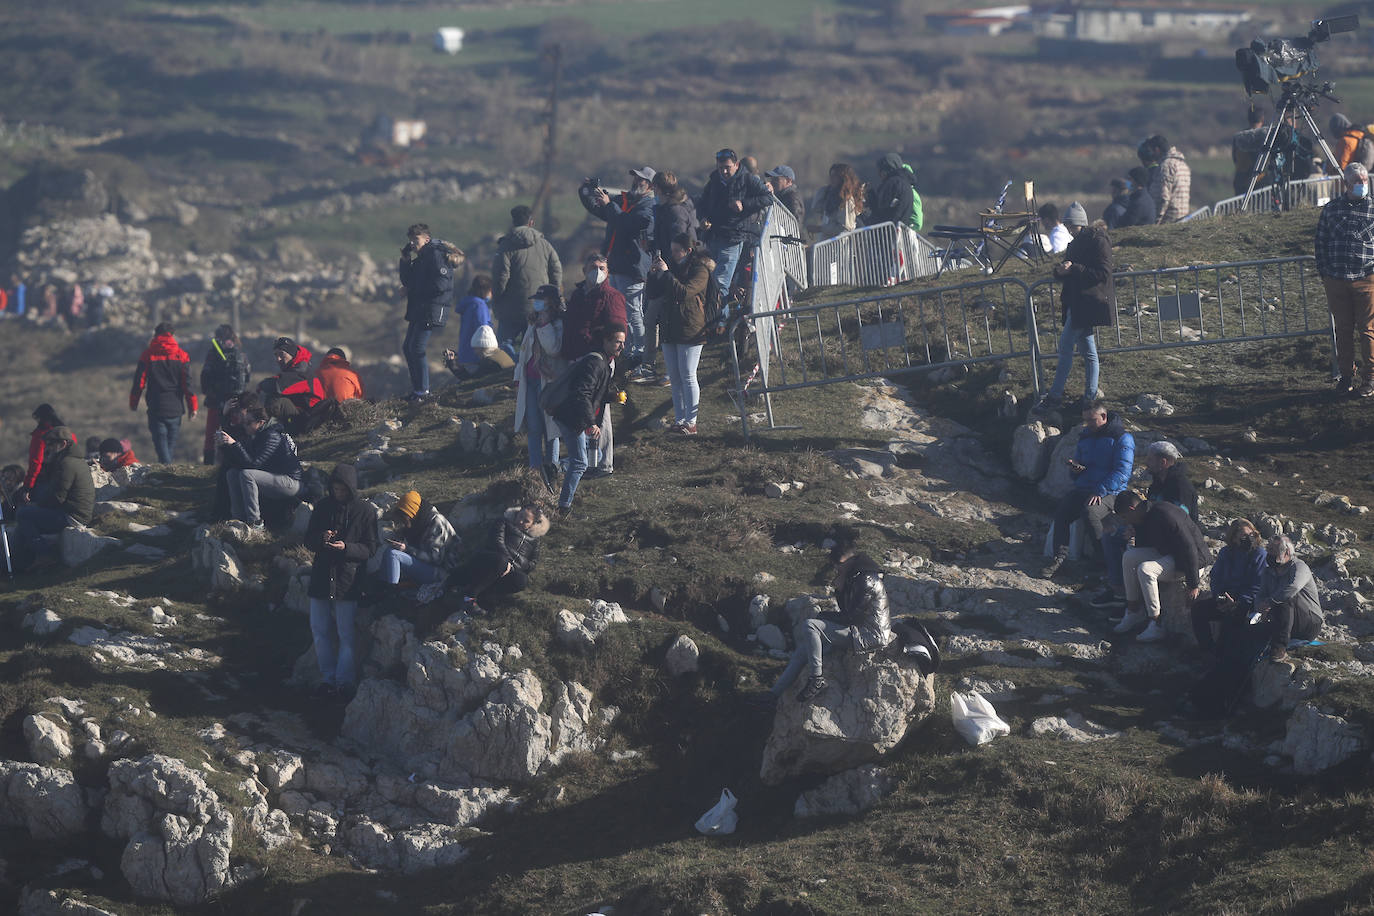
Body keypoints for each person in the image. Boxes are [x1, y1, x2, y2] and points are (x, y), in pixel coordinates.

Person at [768, 532, 894, 704]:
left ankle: (817, 679)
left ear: (849, 561)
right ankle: (773, 695)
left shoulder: (867, 580)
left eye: (839, 565)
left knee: (812, 626)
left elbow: (852, 617)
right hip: (857, 629)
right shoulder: (855, 576)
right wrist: (840, 590)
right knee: (804, 648)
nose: (837, 569)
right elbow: (847, 611)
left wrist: (825, 615)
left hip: (870, 635)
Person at [1092, 440, 1197, 607]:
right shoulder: (1156, 483)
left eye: (1150, 459)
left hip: (1173, 542)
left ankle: (1135, 602)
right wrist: (1134, 527)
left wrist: (1140, 531)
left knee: (1129, 548)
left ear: (1163, 462)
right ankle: (1119, 590)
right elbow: (1148, 513)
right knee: (1112, 537)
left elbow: (1179, 523)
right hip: (1152, 532)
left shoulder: (1180, 486)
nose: (1146, 463)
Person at [1032, 203, 1114, 415]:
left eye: (1071, 225)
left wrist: (1073, 269)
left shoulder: (1098, 241)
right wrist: (1060, 272)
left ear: (1080, 224)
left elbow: (1103, 272)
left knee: (1066, 346)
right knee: (1089, 352)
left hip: (1087, 303)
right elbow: (1076, 269)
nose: (1068, 229)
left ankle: (1056, 396)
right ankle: (1089, 396)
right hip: (1078, 303)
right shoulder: (1079, 241)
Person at [304, 464, 378, 698]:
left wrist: (347, 548)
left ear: (351, 488)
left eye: (342, 490)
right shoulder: (322, 507)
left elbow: (371, 548)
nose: (338, 493)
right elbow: (308, 541)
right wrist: (320, 538)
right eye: (335, 489)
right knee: (319, 630)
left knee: (346, 633)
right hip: (322, 577)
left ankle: (344, 682)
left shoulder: (365, 511)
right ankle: (328, 679)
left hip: (348, 580)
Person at [1042, 400, 1134, 579]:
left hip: (1111, 492)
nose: (1088, 424)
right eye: (1085, 420)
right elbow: (1081, 464)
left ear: (1104, 417)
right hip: (1084, 487)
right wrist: (1076, 470)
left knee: (1090, 511)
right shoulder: (1086, 435)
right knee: (1062, 512)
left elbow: (1122, 472)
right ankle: (1059, 558)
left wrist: (1100, 490)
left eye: (1092, 420)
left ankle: (1102, 560)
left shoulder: (1122, 438)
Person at [1109, 489, 1211, 642]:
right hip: (1170, 554)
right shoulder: (1142, 517)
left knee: (1145, 569)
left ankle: (1155, 624)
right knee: (1129, 557)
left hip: (1191, 562)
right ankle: (1133, 611)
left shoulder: (1165, 514)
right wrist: (1135, 533)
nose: (1125, 522)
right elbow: (1145, 545)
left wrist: (1193, 584)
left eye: (1124, 517)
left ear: (1131, 510)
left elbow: (1189, 547)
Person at [580, 167, 656, 370]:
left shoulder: (649, 206)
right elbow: (600, 210)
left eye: (641, 180)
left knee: (633, 313)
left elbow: (629, 224)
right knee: (621, 312)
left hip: (632, 267)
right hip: (617, 265)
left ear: (650, 185)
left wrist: (609, 206)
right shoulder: (625, 202)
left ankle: (639, 353)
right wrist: (586, 191)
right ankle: (628, 350)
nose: (636, 182)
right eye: (635, 178)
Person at [550, 324, 626, 516]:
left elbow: (595, 394)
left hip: (576, 415)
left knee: (597, 457)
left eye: (623, 343)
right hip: (572, 417)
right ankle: (563, 507)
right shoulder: (596, 363)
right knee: (580, 463)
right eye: (617, 341)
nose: (621, 347)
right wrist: (591, 423)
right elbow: (582, 394)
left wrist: (613, 396)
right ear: (606, 341)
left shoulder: (604, 362)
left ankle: (554, 468)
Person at [561, 254, 626, 478]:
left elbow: (618, 329)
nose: (597, 271)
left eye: (601, 267)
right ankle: (587, 459)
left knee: (600, 411)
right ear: (584, 270)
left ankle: (604, 463)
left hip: (598, 361)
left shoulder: (612, 296)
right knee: (584, 410)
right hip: (577, 358)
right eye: (593, 267)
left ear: (608, 272)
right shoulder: (578, 296)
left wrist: (604, 354)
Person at [1314, 162, 1374, 397]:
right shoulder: (1331, 209)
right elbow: (1321, 241)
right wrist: (1325, 272)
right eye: (1357, 181)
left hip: (1366, 277)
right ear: (1346, 184)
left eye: (1364, 181)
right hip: (1336, 279)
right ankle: (1346, 376)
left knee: (1367, 330)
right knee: (1343, 330)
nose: (1361, 185)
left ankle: (1370, 378)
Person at [648, 233, 713, 435]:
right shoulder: (671, 268)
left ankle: (690, 421)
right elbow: (653, 294)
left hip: (690, 328)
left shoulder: (700, 270)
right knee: (675, 378)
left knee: (688, 375)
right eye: (672, 250)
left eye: (678, 250)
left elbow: (684, 293)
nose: (673, 254)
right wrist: (652, 274)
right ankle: (679, 419)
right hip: (670, 327)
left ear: (688, 250)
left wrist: (666, 273)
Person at [641, 171, 699, 384]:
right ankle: (649, 364)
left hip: (672, 274)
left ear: (659, 188)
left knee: (664, 322)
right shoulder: (666, 209)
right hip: (662, 269)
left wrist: (668, 268)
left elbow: (680, 245)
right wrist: (653, 249)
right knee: (651, 319)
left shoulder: (675, 212)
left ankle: (663, 368)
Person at [697, 148, 772, 301]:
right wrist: (703, 218)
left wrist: (744, 204)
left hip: (733, 237)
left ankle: (719, 322)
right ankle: (716, 318)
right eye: (720, 168)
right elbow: (702, 204)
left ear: (736, 165)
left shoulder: (748, 179)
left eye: (727, 167)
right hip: (713, 237)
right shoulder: (713, 181)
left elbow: (767, 198)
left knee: (720, 283)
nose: (724, 171)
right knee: (711, 282)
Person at [14, 428, 94, 569]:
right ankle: (21, 563)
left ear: (63, 444)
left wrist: (36, 505)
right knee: (24, 521)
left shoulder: (67, 463)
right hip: (72, 510)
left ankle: (46, 555)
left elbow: (58, 497)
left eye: (51, 444)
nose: (48, 448)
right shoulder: (71, 460)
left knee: (23, 514)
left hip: (73, 515)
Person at [514, 284, 565, 495]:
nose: (536, 304)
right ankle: (535, 470)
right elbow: (524, 351)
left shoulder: (558, 324)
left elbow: (553, 349)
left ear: (551, 302)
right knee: (534, 428)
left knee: (550, 429)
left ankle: (551, 468)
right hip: (531, 380)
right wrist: (518, 376)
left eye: (541, 301)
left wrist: (545, 325)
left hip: (549, 382)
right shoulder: (532, 322)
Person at [454, 504, 549, 615]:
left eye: (526, 521)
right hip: (489, 561)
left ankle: (485, 596)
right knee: (501, 562)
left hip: (510, 570)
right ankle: (469, 597)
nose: (521, 521)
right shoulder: (503, 522)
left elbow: (533, 562)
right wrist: (508, 561)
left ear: (532, 524)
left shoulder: (535, 541)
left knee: (521, 580)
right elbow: (496, 541)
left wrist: (517, 565)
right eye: (520, 516)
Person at [1190, 519, 1268, 654]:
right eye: (1243, 536)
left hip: (1246, 603)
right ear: (1234, 538)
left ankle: (1221, 656)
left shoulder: (1259, 554)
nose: (1248, 539)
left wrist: (1238, 601)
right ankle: (1207, 650)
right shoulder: (1226, 552)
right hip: (1225, 598)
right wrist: (1219, 596)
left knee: (1231, 621)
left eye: (1251, 535)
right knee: (1198, 610)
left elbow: (1257, 585)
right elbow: (1215, 577)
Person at [218, 407, 303, 530]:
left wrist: (234, 444)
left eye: (248, 423)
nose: (244, 426)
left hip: (291, 482)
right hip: (274, 479)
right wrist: (226, 446)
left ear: (261, 423)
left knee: (247, 474)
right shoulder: (256, 435)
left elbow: (253, 464)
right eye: (244, 423)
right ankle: (238, 519)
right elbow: (242, 461)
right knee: (232, 473)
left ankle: (255, 522)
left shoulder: (271, 436)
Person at [398, 223, 456, 402]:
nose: (413, 244)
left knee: (417, 348)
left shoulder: (435, 255)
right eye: (411, 241)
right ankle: (417, 390)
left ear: (427, 239)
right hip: (419, 308)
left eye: (416, 240)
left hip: (431, 308)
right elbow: (407, 279)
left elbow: (441, 285)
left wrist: (413, 289)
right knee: (408, 347)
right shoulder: (421, 258)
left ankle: (423, 391)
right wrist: (405, 260)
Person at [491, 204, 563, 345]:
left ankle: (509, 367)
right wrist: (554, 297)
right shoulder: (545, 245)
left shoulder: (505, 246)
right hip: (539, 308)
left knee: (504, 347)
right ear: (531, 222)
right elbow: (556, 271)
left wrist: (497, 299)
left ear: (513, 222)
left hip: (510, 309)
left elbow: (501, 277)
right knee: (535, 347)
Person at [129, 322, 198, 464]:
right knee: (169, 447)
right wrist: (193, 407)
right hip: (176, 409)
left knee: (162, 447)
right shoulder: (182, 356)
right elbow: (188, 385)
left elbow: (139, 383)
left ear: (155, 335)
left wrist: (134, 402)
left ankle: (166, 474)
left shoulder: (147, 355)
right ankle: (167, 474)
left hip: (156, 408)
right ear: (172, 335)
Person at [1252, 536, 1323, 662]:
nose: (1270, 554)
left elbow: (1293, 587)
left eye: (1274, 551)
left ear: (1287, 552)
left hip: (1309, 623)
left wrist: (1270, 602)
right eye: (1269, 550)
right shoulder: (1268, 572)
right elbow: (1261, 594)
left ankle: (1279, 648)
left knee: (1285, 597)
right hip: (1283, 622)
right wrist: (1260, 607)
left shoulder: (1299, 567)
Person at [379, 490, 459, 589]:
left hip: (441, 573)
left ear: (410, 513)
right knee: (389, 551)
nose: (403, 521)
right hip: (427, 567)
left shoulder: (436, 523)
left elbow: (435, 558)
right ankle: (382, 586)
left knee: (393, 554)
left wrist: (406, 549)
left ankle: (390, 590)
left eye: (403, 517)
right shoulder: (418, 522)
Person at [200, 324, 252, 465]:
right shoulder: (241, 355)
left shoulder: (213, 354)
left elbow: (205, 376)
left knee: (211, 433)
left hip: (215, 401)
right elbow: (247, 376)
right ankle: (231, 461)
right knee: (234, 431)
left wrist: (208, 392)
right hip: (236, 401)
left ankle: (208, 464)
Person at [257, 337, 325, 424]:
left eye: (281, 354)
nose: (278, 359)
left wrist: (260, 385)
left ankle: (264, 427)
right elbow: (280, 379)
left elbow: (278, 386)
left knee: (278, 401)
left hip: (309, 421)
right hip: (299, 416)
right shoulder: (293, 371)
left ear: (292, 354)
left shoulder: (302, 373)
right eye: (276, 355)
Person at [451, 275, 500, 378]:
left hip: (465, 354)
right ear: (486, 290)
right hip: (475, 355)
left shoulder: (469, 304)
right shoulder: (479, 306)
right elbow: (484, 331)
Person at [24, 404, 76, 498]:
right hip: (69, 481)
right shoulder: (69, 434)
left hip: (45, 479)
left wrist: (28, 486)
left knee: (24, 510)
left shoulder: (40, 436)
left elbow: (35, 462)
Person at [864, 153, 922, 233]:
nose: (879, 174)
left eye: (880, 170)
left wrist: (869, 197)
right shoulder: (906, 183)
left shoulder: (892, 183)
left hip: (886, 233)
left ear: (887, 169)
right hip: (899, 231)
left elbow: (881, 209)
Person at [807, 163, 864, 241]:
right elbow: (816, 208)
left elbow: (844, 228)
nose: (831, 179)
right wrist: (823, 192)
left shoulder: (847, 200)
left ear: (843, 178)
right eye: (831, 176)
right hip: (827, 244)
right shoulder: (831, 197)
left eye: (835, 176)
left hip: (839, 246)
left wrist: (820, 229)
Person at [1146, 135, 1191, 223]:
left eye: (1151, 151)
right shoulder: (1183, 164)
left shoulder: (1166, 166)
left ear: (1157, 150)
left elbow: (1163, 198)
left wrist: (1156, 221)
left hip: (1169, 220)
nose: (1151, 155)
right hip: (1182, 217)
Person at [1233, 106, 1268, 195]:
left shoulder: (1239, 137)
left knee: (1240, 207)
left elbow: (1235, 158)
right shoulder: (1266, 136)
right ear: (1262, 119)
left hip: (1240, 180)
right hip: (1260, 181)